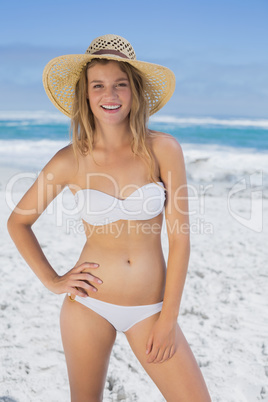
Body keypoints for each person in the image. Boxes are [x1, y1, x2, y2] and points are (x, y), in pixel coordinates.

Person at [7, 34, 211, 401]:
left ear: (134, 91)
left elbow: (180, 240)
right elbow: (17, 222)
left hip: (150, 309)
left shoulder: (163, 149)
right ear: (85, 95)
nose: (110, 95)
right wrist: (53, 280)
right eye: (98, 86)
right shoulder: (70, 159)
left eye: (120, 84)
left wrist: (169, 320)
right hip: (87, 305)